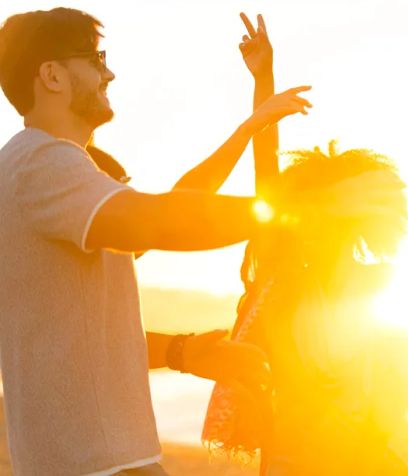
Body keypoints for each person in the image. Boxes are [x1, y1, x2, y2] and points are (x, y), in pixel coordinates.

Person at [0, 7, 387, 475]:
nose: (109, 72)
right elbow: (158, 220)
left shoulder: (44, 173)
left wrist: (184, 352)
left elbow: (169, 209)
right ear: (52, 76)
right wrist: (293, 216)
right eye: (95, 58)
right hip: (94, 467)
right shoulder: (40, 162)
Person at [201, 14, 408, 476]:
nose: (318, 231)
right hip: (294, 462)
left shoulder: (383, 288)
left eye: (332, 221)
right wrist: (264, 83)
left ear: (357, 225)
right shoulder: (284, 283)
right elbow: (267, 181)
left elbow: (395, 402)